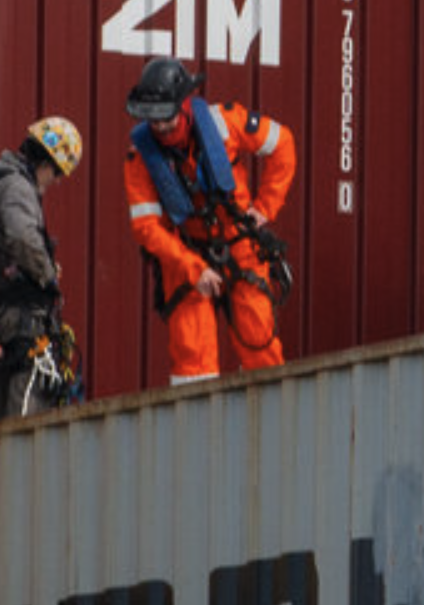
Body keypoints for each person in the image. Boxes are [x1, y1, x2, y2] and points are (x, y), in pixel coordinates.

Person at [119, 57, 297, 385]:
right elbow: (146, 228)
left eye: (166, 119)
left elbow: (283, 144)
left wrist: (265, 208)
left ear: (185, 104)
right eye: (153, 121)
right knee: (192, 361)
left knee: (260, 344)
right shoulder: (140, 158)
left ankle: (271, 428)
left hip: (241, 245)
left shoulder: (225, 122)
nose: (160, 128)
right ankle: (194, 433)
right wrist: (193, 267)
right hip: (186, 253)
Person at [0, 116, 85, 424]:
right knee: (27, 410)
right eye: (58, 174)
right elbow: (23, 236)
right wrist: (47, 277)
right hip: (23, 319)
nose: (56, 182)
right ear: (48, 163)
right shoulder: (19, 187)